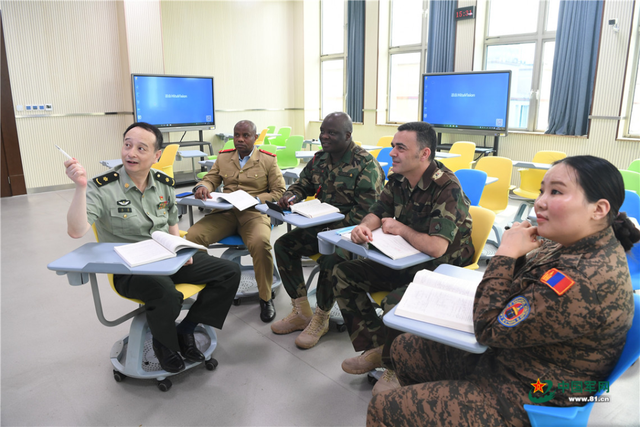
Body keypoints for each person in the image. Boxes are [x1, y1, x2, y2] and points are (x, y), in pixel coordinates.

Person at [367, 155, 639, 426]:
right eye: (542, 190)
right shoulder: (569, 242)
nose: (540, 201)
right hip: (516, 359)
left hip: (532, 393)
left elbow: (488, 330)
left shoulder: (580, 279)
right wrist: (515, 257)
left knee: (383, 408)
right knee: (404, 348)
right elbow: (517, 291)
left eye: (556, 192)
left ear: (598, 209)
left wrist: (506, 253)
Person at [64, 122, 241, 374]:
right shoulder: (102, 187)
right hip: (129, 269)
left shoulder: (163, 182)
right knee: (166, 293)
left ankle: (187, 329)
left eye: (141, 148)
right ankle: (164, 344)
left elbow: (172, 222)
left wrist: (180, 249)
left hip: (166, 258)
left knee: (229, 272)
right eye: (127, 145)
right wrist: (80, 187)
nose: (131, 153)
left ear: (157, 155)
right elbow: (76, 230)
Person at [334, 121, 474, 391]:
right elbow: (378, 211)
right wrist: (363, 227)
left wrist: (400, 228)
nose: (392, 153)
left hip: (440, 268)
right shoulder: (399, 178)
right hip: (405, 259)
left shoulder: (447, 188)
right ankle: (380, 350)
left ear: (424, 154)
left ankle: (397, 364)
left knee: (394, 302)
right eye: (392, 146)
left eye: (400, 147)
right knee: (343, 274)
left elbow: (436, 248)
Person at [270, 112, 385, 349]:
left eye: (332, 133)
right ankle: (301, 311)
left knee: (331, 259)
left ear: (348, 136)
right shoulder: (320, 159)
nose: (324, 136)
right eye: (323, 131)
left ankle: (321, 318)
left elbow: (369, 211)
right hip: (322, 226)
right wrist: (291, 196)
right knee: (283, 245)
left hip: (353, 234)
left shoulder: (366, 165)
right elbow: (303, 184)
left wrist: (332, 228)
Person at [185, 120, 286, 323]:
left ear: (255, 137)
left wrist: (256, 199)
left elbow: (279, 191)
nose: (240, 139)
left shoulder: (267, 159)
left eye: (245, 135)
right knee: (192, 237)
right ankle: (211, 285)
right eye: (236, 135)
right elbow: (211, 178)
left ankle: (265, 297)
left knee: (260, 243)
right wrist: (202, 187)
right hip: (226, 213)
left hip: (254, 213)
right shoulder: (224, 157)